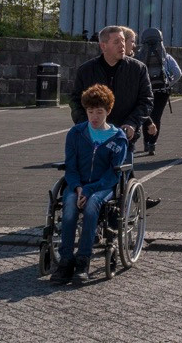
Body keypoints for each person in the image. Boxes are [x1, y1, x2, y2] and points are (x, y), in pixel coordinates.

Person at [51, 83, 131, 285]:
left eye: (99, 112)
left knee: (92, 206)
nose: (94, 117)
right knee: (69, 208)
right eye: (90, 111)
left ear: (108, 111)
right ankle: (66, 260)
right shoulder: (76, 134)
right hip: (77, 184)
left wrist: (89, 189)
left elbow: (113, 174)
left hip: (102, 186)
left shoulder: (118, 139)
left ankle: (83, 260)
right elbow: (71, 166)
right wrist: (78, 187)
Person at [70, 26, 153, 142]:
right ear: (103, 46)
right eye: (116, 42)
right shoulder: (86, 70)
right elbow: (75, 101)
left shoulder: (138, 69)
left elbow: (146, 100)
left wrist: (132, 123)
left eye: (123, 40)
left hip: (125, 137)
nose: (122, 45)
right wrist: (86, 125)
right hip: (93, 137)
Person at [138, 27, 179, 157]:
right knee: (157, 117)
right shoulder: (165, 56)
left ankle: (145, 141)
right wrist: (168, 83)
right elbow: (178, 73)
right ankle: (152, 144)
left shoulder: (139, 56)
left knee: (146, 116)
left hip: (145, 91)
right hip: (162, 90)